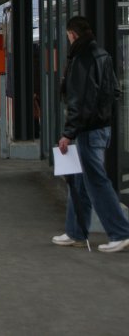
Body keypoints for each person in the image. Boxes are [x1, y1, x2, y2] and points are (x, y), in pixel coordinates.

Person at [53, 16, 129, 253]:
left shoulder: (82, 58)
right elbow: (114, 91)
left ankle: (120, 231)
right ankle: (76, 231)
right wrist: (102, 115)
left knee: (96, 181)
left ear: (72, 34)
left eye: (67, 36)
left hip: (88, 130)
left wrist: (68, 133)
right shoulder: (102, 55)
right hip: (101, 127)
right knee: (79, 180)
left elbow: (80, 100)